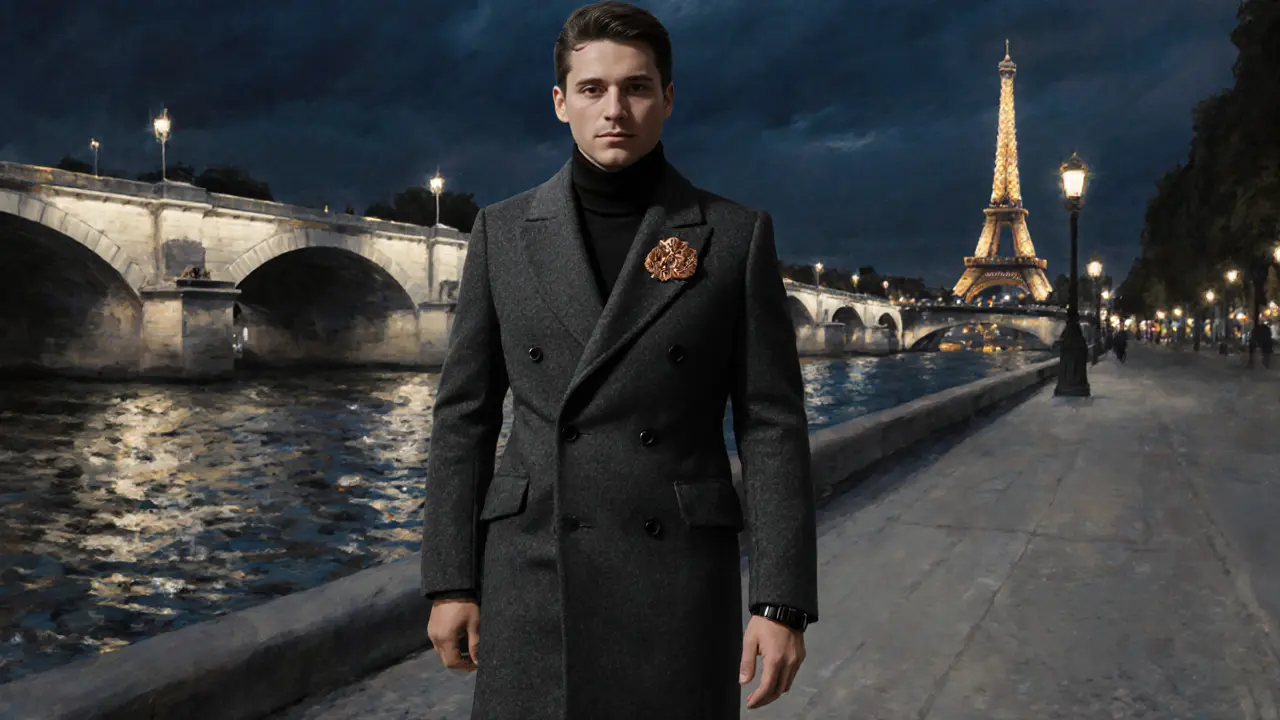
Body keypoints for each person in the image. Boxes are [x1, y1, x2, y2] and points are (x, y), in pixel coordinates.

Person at [418, 3, 818, 718]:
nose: (616, 109)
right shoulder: (502, 233)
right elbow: (464, 417)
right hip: (534, 571)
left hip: (676, 581)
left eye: (636, 87)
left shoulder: (733, 235)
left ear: (667, 98)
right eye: (594, 88)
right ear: (560, 102)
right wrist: (451, 581)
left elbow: (771, 424)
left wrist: (781, 598)